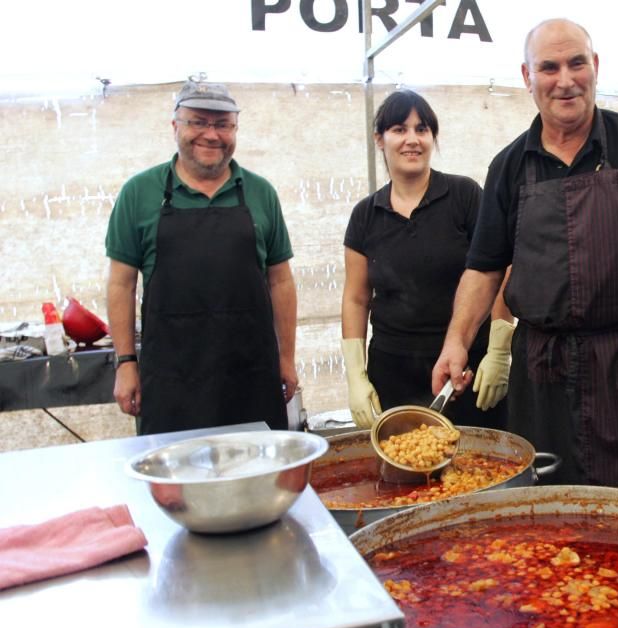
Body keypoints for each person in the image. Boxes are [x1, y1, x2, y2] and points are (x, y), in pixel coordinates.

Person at [432, 18, 618, 502]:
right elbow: (485, 266)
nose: (565, 79)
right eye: (548, 67)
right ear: (527, 77)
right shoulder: (510, 166)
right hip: (544, 373)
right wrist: (457, 341)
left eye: (577, 62)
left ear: (595, 66)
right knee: (553, 512)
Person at [106, 80, 298, 435]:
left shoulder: (260, 192)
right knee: (176, 488)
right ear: (175, 125)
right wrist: (126, 362)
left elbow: (280, 280)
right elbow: (121, 283)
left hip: (251, 374)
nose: (211, 134)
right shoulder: (139, 193)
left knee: (256, 483)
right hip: (170, 379)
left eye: (223, 124)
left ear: (234, 130)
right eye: (198, 121)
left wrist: (286, 357)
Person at [341, 89, 512, 429]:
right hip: (392, 372)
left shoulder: (464, 196)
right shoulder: (365, 215)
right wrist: (356, 376)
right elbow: (356, 298)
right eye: (399, 129)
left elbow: (500, 270)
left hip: (466, 369)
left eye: (422, 129)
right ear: (380, 139)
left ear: (433, 137)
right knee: (405, 470)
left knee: (477, 467)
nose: (412, 140)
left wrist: (499, 350)